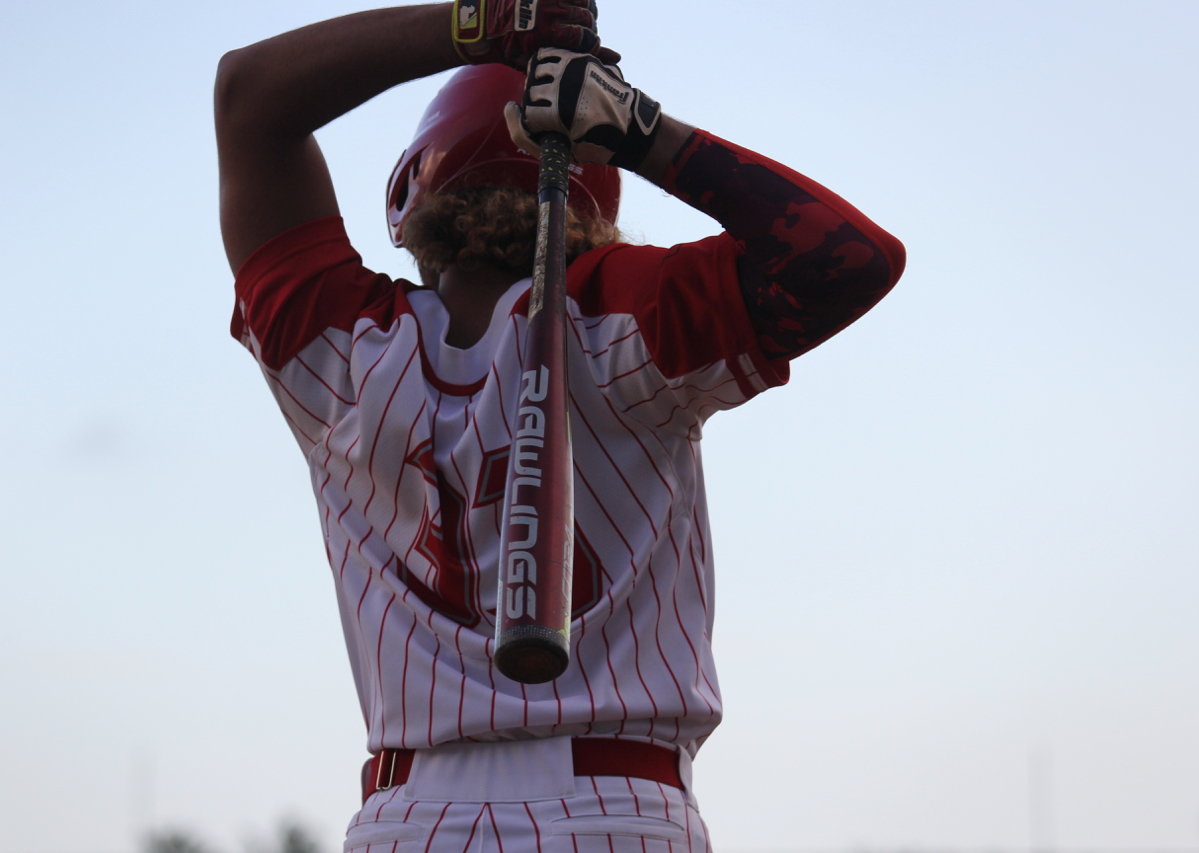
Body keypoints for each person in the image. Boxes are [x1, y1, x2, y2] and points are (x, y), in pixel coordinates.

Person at [215, 2, 905, 851]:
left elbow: (248, 98)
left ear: (414, 191)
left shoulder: (337, 351)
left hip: (407, 816)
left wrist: (481, 22)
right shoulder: (624, 316)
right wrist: (644, 132)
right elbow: (852, 258)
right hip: (616, 806)